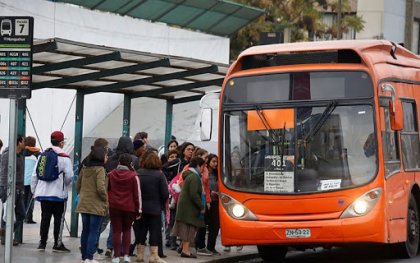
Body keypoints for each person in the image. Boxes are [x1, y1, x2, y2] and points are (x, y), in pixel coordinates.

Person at [31, 131, 74, 252]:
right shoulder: (64, 157)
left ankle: (42, 243)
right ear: (61, 142)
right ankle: (57, 243)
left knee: (45, 218)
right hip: (58, 195)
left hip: (44, 194)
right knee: (58, 220)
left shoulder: (42, 155)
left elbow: (35, 175)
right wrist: (64, 185)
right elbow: (69, 176)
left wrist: (35, 190)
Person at [134, 149, 169, 263]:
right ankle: (153, 256)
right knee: (154, 231)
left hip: (140, 208)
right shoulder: (159, 175)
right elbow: (165, 193)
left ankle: (140, 255)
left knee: (141, 231)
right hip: (155, 208)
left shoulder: (138, 173)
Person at [76, 146, 108, 263]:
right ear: (101, 157)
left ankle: (84, 257)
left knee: (85, 230)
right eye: (105, 155)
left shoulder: (85, 169)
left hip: (84, 203)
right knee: (93, 231)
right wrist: (105, 198)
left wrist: (84, 194)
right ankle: (90, 257)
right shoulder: (100, 170)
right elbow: (100, 187)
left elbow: (77, 185)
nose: (107, 158)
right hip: (96, 205)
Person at [108, 153, 142, 263]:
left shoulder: (111, 174)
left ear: (119, 162)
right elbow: (137, 194)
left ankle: (116, 256)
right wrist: (139, 209)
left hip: (114, 207)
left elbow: (108, 190)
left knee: (116, 231)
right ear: (130, 163)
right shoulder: (134, 176)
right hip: (129, 207)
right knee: (127, 230)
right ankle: (126, 255)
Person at [171, 157, 206, 258]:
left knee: (186, 228)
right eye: (202, 166)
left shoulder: (189, 175)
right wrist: (201, 206)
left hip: (185, 207)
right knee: (189, 229)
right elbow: (194, 194)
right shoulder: (195, 177)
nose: (203, 169)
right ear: (198, 166)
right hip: (189, 208)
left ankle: (182, 247)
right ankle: (186, 251)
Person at [0, 135, 25, 246]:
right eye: (23, 141)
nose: (25, 143)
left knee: (20, 213)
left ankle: (6, 233)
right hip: (9, 188)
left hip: (18, 188)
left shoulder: (18, 156)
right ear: (19, 143)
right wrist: (6, 189)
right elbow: (4, 173)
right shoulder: (7, 155)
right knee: (7, 214)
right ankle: (5, 237)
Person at [23, 136, 41, 224]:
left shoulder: (21, 153)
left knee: (22, 200)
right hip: (32, 181)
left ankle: (22, 216)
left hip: (22, 181)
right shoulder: (37, 154)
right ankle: (28, 218)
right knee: (30, 201)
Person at [205, 154, 220, 255]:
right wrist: (211, 192)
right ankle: (200, 245)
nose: (215, 164)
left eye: (216, 162)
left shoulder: (218, 174)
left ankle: (211, 247)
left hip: (215, 202)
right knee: (202, 225)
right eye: (213, 161)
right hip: (206, 201)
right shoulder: (205, 173)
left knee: (215, 226)